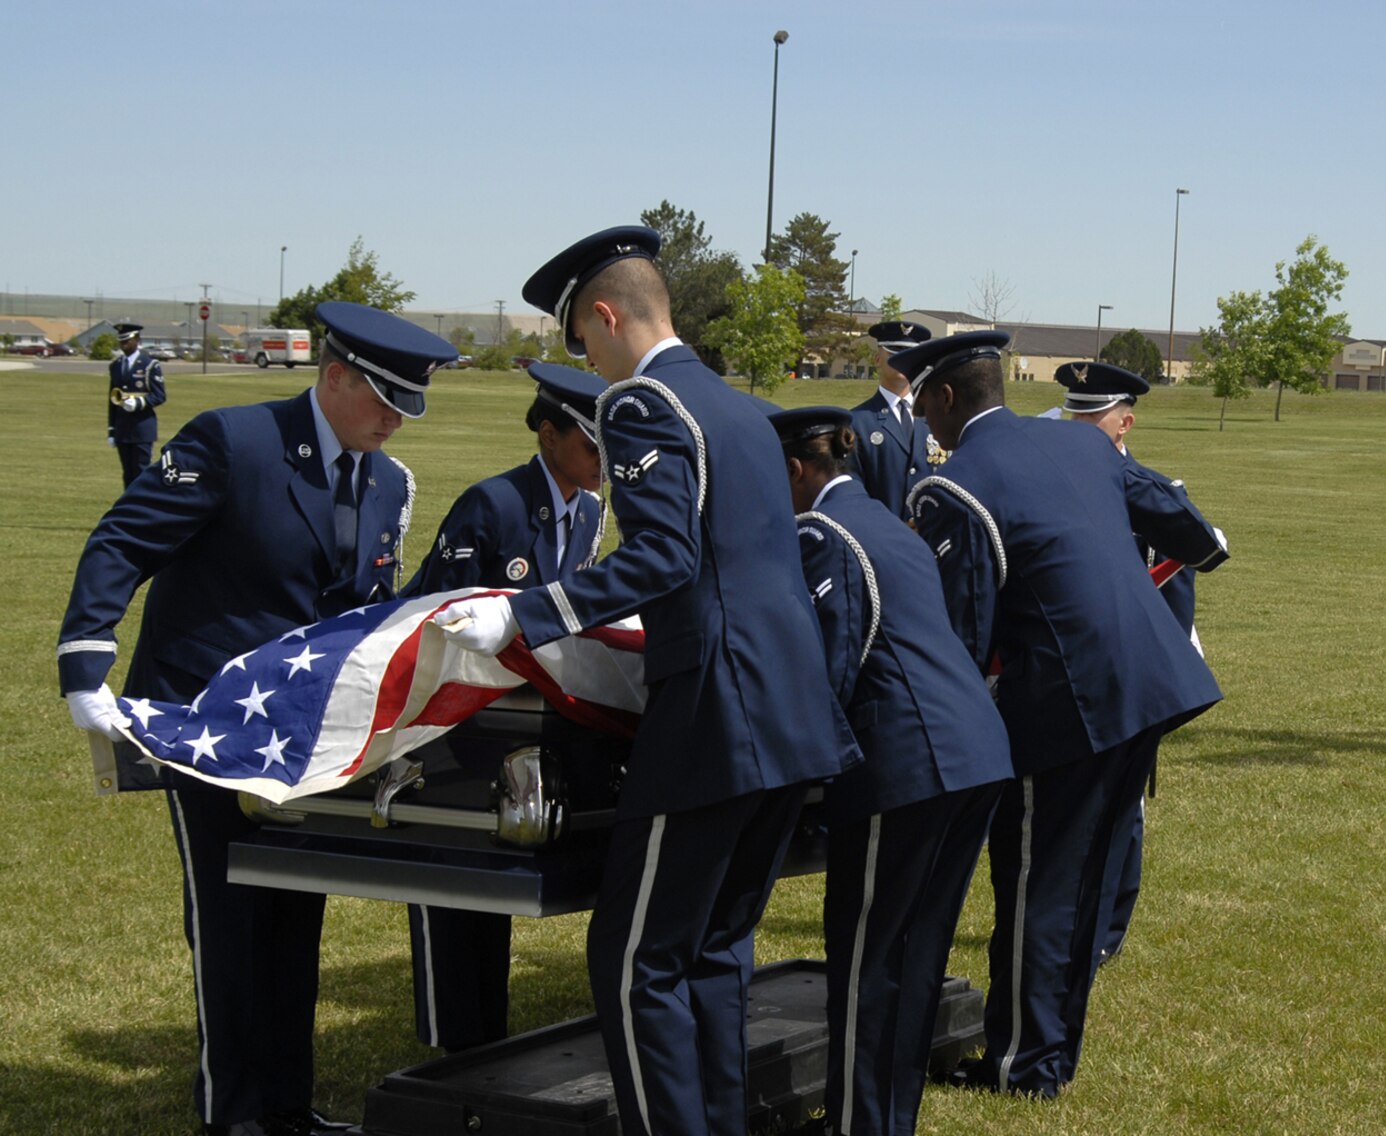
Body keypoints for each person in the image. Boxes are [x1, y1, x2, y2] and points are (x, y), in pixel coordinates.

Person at [435, 226, 857, 1136]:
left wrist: (528, 614)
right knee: (712, 952)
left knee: (637, 962)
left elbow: (665, 555)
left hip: (713, 718)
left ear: (606, 313)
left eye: (580, 340)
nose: (584, 361)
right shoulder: (743, 411)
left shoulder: (641, 405)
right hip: (790, 719)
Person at [58, 301, 455, 1136]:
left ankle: (286, 1105)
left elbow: (358, 609)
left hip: (306, 738)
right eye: (381, 399)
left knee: (294, 917)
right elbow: (124, 542)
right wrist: (85, 662)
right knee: (232, 920)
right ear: (335, 376)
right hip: (205, 721)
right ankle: (232, 1112)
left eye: (407, 407)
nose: (393, 420)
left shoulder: (387, 484)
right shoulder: (233, 442)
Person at [901, 330, 1226, 1099]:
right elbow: (1191, 533)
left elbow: (963, 638)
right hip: (1151, 684)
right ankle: (1049, 1051)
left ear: (946, 397)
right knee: (1080, 881)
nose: (923, 423)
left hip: (1067, 702)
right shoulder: (1086, 450)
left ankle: (1025, 1066)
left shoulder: (958, 483)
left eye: (924, 404)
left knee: (1036, 884)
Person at [771, 406, 1012, 1136]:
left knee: (869, 960)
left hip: (906, 761)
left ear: (794, 471)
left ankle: (856, 1123)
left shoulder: (821, 534)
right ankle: (883, 1118)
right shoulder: (888, 526)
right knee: (915, 955)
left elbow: (830, 668)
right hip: (974, 753)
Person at [399, 361, 607, 1052]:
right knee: (452, 881)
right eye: (590, 442)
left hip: (524, 721)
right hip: (459, 716)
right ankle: (451, 1039)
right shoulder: (492, 505)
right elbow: (436, 612)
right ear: (548, 435)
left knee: (498, 882)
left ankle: (485, 1033)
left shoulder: (590, 509)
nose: (604, 460)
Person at [1052, 360, 1222, 962]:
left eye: (1090, 418)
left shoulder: (1147, 492)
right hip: (1063, 666)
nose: (1077, 427)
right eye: (1072, 415)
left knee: (1121, 805)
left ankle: (1104, 930)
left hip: (1125, 671)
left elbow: (1178, 583)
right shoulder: (1052, 484)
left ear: (1123, 424)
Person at [847, 320, 939, 519]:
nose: (902, 361)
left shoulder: (937, 418)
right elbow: (853, 491)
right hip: (880, 540)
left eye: (909, 355)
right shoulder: (857, 422)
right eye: (894, 353)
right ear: (878, 358)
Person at [108, 322, 168, 486]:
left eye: (127, 341)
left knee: (141, 472)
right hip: (122, 428)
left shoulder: (149, 365)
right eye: (121, 341)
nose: (123, 345)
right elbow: (112, 398)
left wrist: (139, 402)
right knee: (127, 473)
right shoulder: (116, 366)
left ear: (137, 340)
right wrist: (112, 429)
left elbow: (160, 395)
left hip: (142, 427)